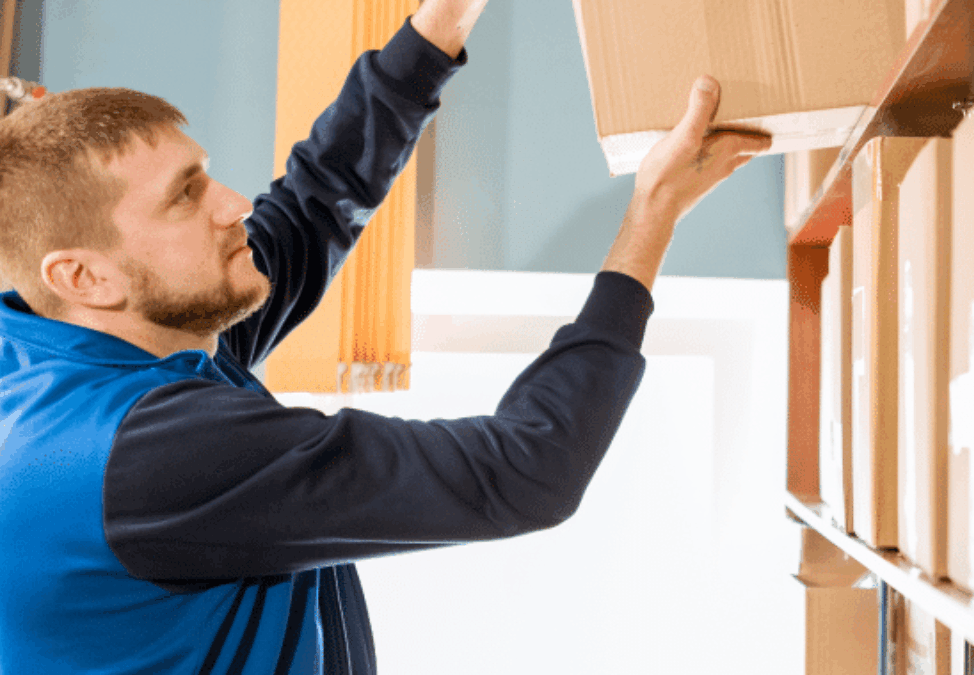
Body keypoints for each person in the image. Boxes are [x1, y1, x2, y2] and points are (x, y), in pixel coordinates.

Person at [0, 0, 771, 672]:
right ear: (83, 276)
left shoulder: (83, 331)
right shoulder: (144, 456)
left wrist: (444, 18)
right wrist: (652, 219)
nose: (233, 203)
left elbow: (312, 204)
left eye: (205, 174)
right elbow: (526, 469)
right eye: (186, 196)